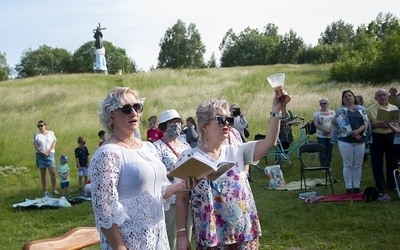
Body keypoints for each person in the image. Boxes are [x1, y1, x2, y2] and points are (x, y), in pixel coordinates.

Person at [175, 88, 291, 249]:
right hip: (212, 238)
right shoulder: (188, 157)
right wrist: (182, 236)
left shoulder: (237, 150)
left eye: (228, 118)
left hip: (244, 234)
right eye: (221, 119)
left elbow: (269, 142)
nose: (227, 123)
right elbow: (181, 199)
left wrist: (276, 110)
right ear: (204, 126)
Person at [89, 86, 197, 249]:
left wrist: (180, 186)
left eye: (137, 107)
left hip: (157, 238)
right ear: (111, 114)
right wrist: (119, 247)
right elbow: (104, 209)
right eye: (126, 109)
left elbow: (159, 192)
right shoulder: (107, 153)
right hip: (131, 243)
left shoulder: (148, 147)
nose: (133, 113)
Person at [153, 109, 193, 250]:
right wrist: (176, 174)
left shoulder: (185, 146)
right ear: (164, 125)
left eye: (178, 121)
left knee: (186, 237)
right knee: (171, 237)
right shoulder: (157, 147)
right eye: (172, 122)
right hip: (171, 199)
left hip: (187, 197)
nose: (176, 125)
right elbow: (157, 173)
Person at [332, 90, 371, 194]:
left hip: (360, 140)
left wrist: (359, 132)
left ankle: (357, 187)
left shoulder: (362, 109)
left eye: (350, 96)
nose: (348, 98)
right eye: (346, 97)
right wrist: (353, 133)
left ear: (354, 97)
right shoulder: (340, 110)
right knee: (348, 164)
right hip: (345, 140)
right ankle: (348, 187)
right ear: (343, 99)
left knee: (358, 164)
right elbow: (341, 124)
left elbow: (366, 122)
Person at [367, 88, 398, 195]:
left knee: (392, 162)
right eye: (379, 95)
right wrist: (377, 125)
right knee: (377, 163)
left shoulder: (394, 108)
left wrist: (392, 125)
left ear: (388, 96)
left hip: (391, 136)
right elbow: (367, 127)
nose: (382, 97)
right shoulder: (370, 109)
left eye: (384, 95)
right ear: (376, 98)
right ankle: (380, 185)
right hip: (377, 137)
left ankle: (392, 185)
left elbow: (397, 123)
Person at [230, 104, 255, 181]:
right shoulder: (230, 118)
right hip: (233, 140)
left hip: (242, 138)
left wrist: (242, 117)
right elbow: (230, 125)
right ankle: (235, 175)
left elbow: (244, 126)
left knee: (247, 157)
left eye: (236, 109)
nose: (235, 111)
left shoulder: (239, 118)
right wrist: (230, 114)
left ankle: (249, 176)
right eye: (233, 109)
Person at [33, 120, 58, 196]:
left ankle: (54, 189)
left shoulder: (51, 133)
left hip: (49, 154)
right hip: (41, 155)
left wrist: (48, 151)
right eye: (38, 126)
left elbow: (54, 142)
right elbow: (35, 144)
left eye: (41, 125)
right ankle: (45, 191)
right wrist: (41, 152)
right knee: (43, 173)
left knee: (53, 172)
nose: (40, 127)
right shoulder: (37, 135)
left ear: (45, 125)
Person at [313, 97, 335, 169]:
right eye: (321, 103)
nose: (323, 105)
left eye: (324, 103)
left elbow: (334, 122)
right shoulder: (317, 113)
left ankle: (328, 166)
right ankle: (322, 166)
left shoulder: (332, 112)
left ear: (328, 104)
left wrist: (330, 129)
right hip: (321, 135)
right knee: (322, 150)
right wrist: (324, 130)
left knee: (329, 150)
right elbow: (316, 124)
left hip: (331, 134)